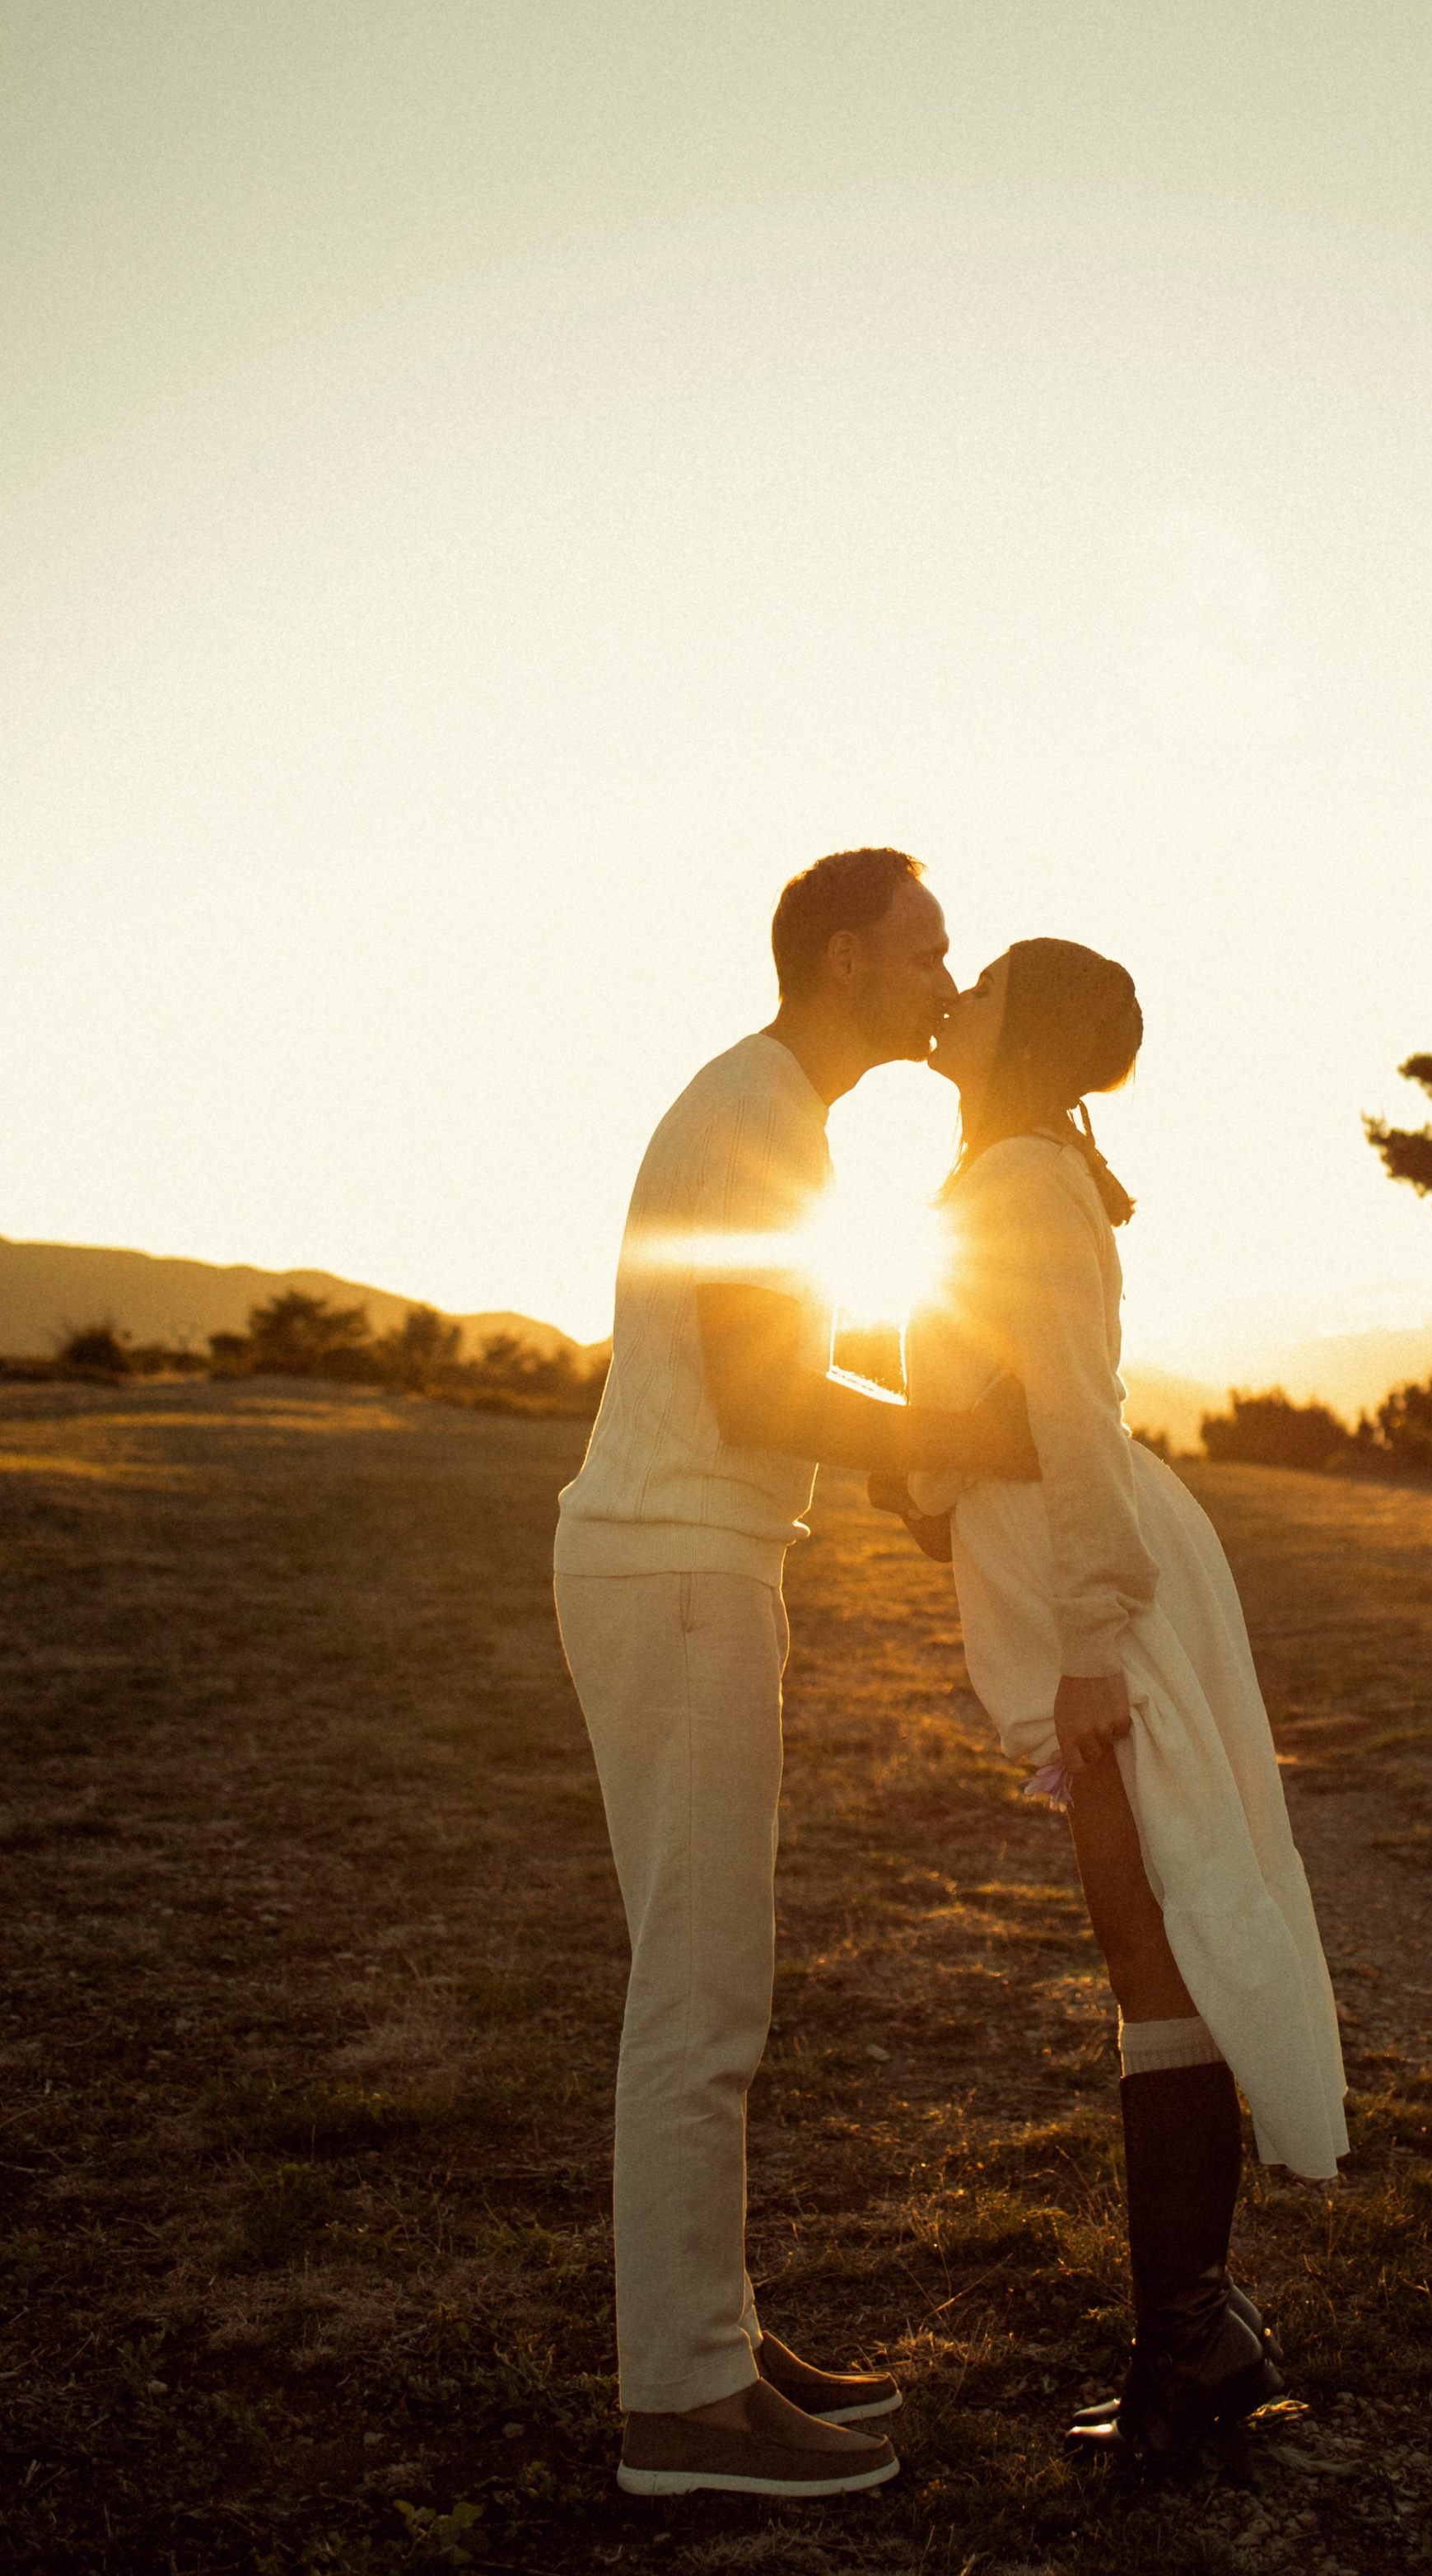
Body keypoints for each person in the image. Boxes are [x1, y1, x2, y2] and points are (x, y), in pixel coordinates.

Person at [553, 849, 1038, 2504]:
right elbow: (761, 1390)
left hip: (676, 1557)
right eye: (924, 952)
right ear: (843, 959)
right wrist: (964, 1442)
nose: (943, 980)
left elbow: (771, 1356)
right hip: (679, 1569)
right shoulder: (758, 1109)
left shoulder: (770, 1108)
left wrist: (910, 1477)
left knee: (699, 1980)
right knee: (700, 1994)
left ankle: (707, 2335)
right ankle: (681, 2409)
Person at [877, 937, 1346, 2471]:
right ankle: (1193, 2343)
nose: (957, 996)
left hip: (1109, 1598)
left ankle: (1192, 2354)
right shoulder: (1008, 1170)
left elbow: (1073, 1412)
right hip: (1069, 1581)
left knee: (1158, 1942)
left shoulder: (1019, 1179)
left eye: (987, 983)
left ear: (1032, 1035)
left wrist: (1089, 1640)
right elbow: (1002, 1411)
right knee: (1147, 1940)